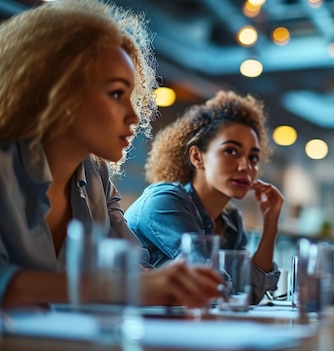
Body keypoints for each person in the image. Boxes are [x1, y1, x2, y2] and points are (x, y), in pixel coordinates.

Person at [0, 0, 222, 308]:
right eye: (116, 93)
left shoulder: (96, 176)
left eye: (131, 97)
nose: (134, 116)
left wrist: (168, 283)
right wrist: (120, 287)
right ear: (60, 90)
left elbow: (128, 266)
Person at [125, 91, 284, 304]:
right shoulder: (164, 202)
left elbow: (251, 293)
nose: (246, 166)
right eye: (231, 151)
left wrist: (271, 221)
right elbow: (213, 282)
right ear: (197, 157)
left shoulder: (231, 223)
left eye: (253, 157)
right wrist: (236, 288)